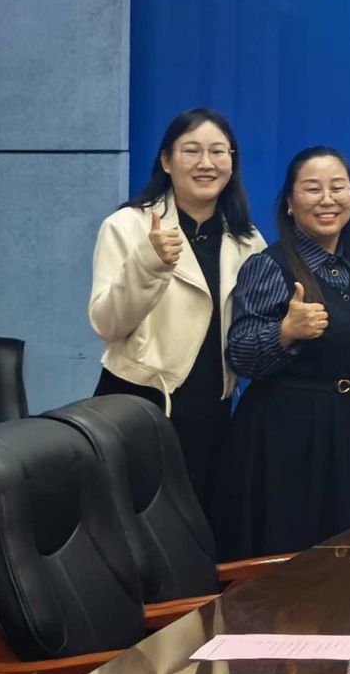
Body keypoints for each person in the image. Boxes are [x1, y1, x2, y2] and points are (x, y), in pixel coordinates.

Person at [88, 108, 266, 516]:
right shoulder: (127, 226)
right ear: (167, 161)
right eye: (191, 151)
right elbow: (107, 324)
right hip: (138, 406)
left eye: (218, 151)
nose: (206, 163)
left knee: (203, 534)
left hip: (213, 415)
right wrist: (148, 264)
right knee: (135, 533)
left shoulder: (247, 239)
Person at [218, 147, 350, 557]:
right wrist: (285, 332)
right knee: (288, 559)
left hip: (347, 434)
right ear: (290, 203)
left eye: (338, 188)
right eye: (312, 189)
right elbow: (240, 353)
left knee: (345, 558)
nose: (327, 199)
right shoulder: (269, 265)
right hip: (283, 440)